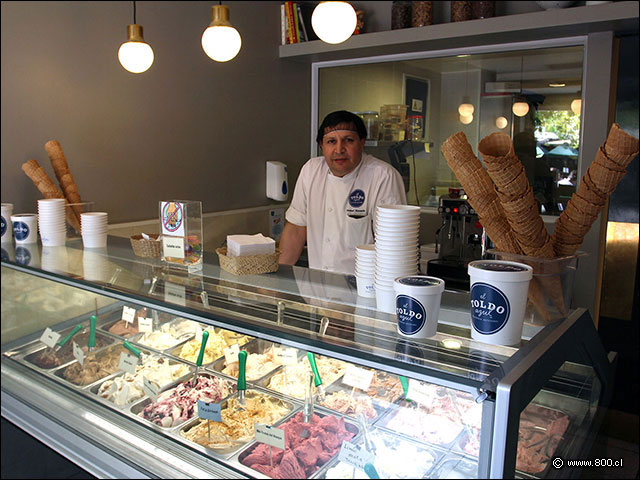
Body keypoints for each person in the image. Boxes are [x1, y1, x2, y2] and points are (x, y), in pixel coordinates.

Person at [279, 110, 407, 275]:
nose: (339, 149)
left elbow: (393, 247)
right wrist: (278, 279)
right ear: (321, 146)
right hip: (319, 290)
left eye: (348, 140)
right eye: (331, 141)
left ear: (362, 143)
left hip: (366, 290)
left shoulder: (383, 177)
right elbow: (296, 230)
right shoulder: (311, 171)